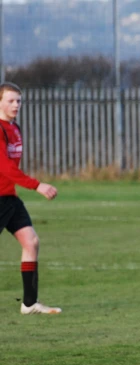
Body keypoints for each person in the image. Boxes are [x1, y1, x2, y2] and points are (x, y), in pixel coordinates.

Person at [0, 82, 61, 315]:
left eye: (19, 101)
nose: (16, 105)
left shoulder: (15, 128)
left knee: (31, 242)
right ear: (0, 102)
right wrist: (37, 185)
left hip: (9, 198)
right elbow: (4, 167)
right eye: (11, 100)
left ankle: (29, 303)